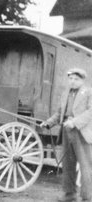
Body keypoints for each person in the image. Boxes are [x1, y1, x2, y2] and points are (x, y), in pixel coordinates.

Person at [40, 68, 92, 202]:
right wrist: (48, 123)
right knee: (68, 165)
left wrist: (74, 122)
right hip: (66, 132)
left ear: (82, 80)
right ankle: (69, 196)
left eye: (76, 79)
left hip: (81, 133)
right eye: (71, 79)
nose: (73, 81)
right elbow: (59, 113)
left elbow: (90, 112)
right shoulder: (65, 93)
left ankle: (87, 197)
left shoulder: (89, 92)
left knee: (85, 166)